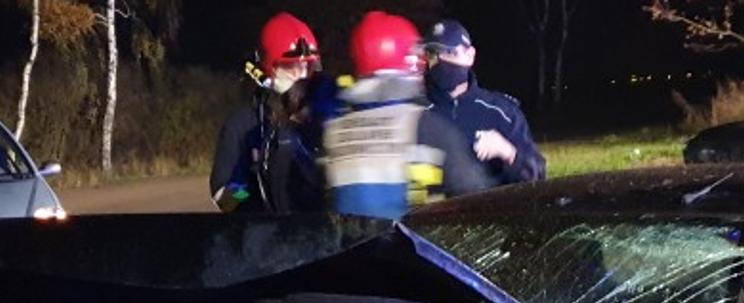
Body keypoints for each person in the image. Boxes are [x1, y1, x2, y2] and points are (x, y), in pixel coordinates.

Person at [322, 12, 493, 219]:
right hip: (410, 249)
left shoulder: (333, 129)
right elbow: (477, 197)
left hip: (350, 250)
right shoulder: (424, 126)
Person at [209, 13, 330, 213]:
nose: (301, 76)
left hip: (316, 235)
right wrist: (251, 187)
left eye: (307, 67)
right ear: (267, 71)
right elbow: (225, 199)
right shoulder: (243, 123)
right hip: (265, 236)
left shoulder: (321, 116)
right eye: (290, 67)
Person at [421, 19, 546, 186]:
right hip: (432, 211)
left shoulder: (502, 112)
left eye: (450, 53)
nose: (441, 61)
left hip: (490, 210)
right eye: (433, 54)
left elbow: (537, 176)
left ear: (470, 55)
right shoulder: (417, 113)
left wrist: (508, 152)